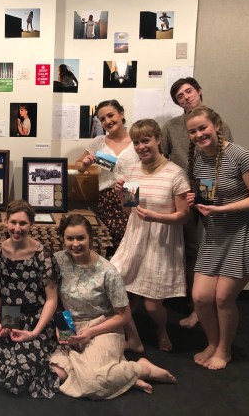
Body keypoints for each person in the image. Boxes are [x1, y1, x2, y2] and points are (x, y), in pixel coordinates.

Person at [185, 106, 249, 370]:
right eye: (193, 131)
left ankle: (224, 350)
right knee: (201, 297)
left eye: (203, 128)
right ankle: (213, 343)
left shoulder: (239, 155)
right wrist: (196, 200)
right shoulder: (199, 159)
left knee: (223, 298)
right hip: (216, 233)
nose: (199, 134)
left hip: (245, 232)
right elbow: (208, 196)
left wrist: (221, 209)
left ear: (216, 125)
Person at [50, 214, 177, 398]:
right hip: (71, 325)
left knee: (92, 382)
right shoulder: (57, 261)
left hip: (102, 326)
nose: (75, 244)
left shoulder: (107, 271)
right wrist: (62, 327)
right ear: (63, 239)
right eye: (70, 238)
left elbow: (124, 316)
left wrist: (91, 332)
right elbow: (55, 300)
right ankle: (122, 377)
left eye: (80, 238)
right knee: (56, 373)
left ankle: (141, 369)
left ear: (90, 238)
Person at [111, 119, 190, 352]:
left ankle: (161, 330)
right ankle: (131, 335)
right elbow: (129, 210)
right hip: (134, 238)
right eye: (136, 142)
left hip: (162, 242)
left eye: (146, 141)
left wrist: (157, 217)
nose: (141, 147)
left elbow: (184, 216)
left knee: (153, 305)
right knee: (115, 286)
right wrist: (121, 196)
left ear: (158, 140)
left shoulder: (175, 174)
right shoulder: (132, 171)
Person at [161, 77, 233, 329]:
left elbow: (227, 156)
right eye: (180, 96)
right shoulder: (171, 126)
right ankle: (196, 305)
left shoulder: (216, 122)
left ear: (199, 91)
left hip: (210, 187)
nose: (186, 98)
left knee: (217, 244)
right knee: (190, 248)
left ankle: (217, 301)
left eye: (188, 91)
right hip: (182, 191)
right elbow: (163, 158)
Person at [0, 200, 60, 398]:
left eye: (23, 223)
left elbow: (51, 299)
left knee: (15, 380)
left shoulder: (43, 255)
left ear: (31, 224)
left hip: (35, 319)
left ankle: (39, 364)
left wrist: (35, 333)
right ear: (5, 222)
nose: (17, 228)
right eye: (13, 222)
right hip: (10, 315)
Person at [75, 100, 139, 257]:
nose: (107, 121)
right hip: (107, 198)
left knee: (130, 243)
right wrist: (85, 164)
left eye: (111, 115)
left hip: (131, 192)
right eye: (102, 119)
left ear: (121, 114)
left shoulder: (136, 140)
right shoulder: (99, 142)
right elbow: (79, 165)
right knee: (108, 243)